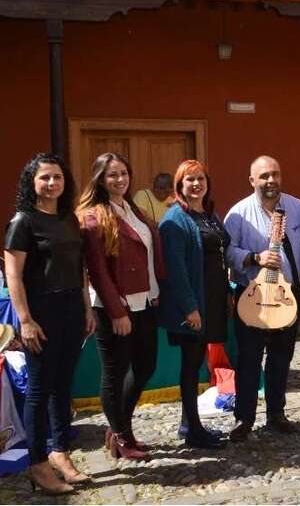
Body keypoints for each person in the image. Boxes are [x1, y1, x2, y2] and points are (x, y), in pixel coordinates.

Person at [4, 153, 96, 494]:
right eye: (44, 178)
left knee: (63, 385)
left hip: (72, 305)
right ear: (32, 182)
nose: (52, 183)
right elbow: (12, 275)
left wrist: (86, 308)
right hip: (40, 310)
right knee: (40, 389)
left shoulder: (69, 219)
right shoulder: (22, 222)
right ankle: (38, 464)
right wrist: (25, 320)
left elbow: (80, 269)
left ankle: (60, 452)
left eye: (57, 177)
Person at [77, 152, 166, 459]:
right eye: (112, 175)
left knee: (146, 367)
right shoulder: (92, 217)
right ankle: (120, 435)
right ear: (100, 179)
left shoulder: (133, 210)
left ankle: (119, 429)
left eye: (123, 173)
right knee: (115, 373)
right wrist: (117, 312)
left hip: (145, 302)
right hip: (115, 307)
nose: (119, 179)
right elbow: (97, 270)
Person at [224, 156, 300, 441]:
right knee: (248, 359)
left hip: (288, 294)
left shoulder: (298, 209)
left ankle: (277, 413)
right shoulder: (237, 214)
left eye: (275, 174)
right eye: (264, 176)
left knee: (281, 356)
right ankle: (243, 418)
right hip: (252, 294)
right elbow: (226, 252)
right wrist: (254, 257)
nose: (270, 181)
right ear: (252, 180)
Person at [158, 160, 228, 449]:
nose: (196, 184)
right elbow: (175, 270)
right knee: (191, 365)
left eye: (200, 178)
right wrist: (190, 309)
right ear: (179, 186)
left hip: (212, 299)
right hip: (193, 304)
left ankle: (191, 423)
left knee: (197, 362)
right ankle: (191, 428)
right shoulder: (174, 220)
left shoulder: (209, 215)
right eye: (189, 180)